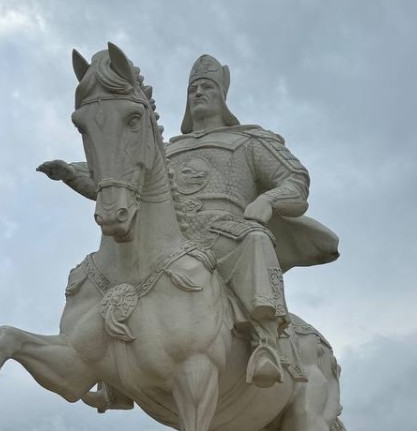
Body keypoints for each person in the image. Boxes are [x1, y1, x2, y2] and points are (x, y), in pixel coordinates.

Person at [40, 52, 339, 390]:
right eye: (193, 88)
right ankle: (110, 366)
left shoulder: (250, 141)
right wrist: (70, 173)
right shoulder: (167, 148)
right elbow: (122, 178)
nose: (198, 93)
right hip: (172, 234)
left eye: (207, 87)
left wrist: (267, 201)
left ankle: (266, 341)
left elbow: (295, 182)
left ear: (222, 96)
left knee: (255, 240)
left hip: (225, 232)